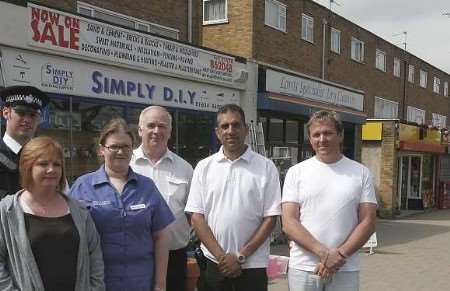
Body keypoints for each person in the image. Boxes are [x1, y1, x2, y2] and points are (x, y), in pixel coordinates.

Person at [69, 118, 174, 291]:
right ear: (102, 150)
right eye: (113, 147)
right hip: (98, 282)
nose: (120, 151)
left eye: (126, 146)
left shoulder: (146, 186)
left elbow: (161, 237)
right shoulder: (82, 186)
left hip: (140, 282)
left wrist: (160, 284)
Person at [185, 104, 282, 291]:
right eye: (224, 126)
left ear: (245, 129)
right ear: (217, 132)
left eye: (236, 125)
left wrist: (240, 256)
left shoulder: (266, 167)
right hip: (213, 263)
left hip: (252, 265)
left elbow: (270, 218)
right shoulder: (204, 167)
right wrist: (222, 257)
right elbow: (196, 217)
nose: (230, 131)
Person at [282, 110, 378, 291]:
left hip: (345, 267)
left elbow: (368, 222)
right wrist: (325, 253)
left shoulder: (361, 173)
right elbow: (288, 222)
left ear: (340, 136)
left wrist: (339, 255)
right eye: (316, 135)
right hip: (304, 268)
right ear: (310, 139)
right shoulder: (297, 172)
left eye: (327, 133)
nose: (322, 139)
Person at [0, 136, 105, 291]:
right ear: (27, 167)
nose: (51, 169)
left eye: (57, 164)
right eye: (43, 164)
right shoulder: (6, 211)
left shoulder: (79, 211)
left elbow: (94, 257)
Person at [130, 106, 193, 291]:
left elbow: (194, 214)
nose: (156, 131)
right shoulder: (126, 164)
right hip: (135, 258)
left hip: (174, 257)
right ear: (140, 130)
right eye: (151, 125)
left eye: (162, 126)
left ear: (170, 132)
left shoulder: (185, 169)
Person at [0, 86, 49, 199]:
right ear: (6, 113)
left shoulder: (47, 156)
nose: (27, 120)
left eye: (33, 115)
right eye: (21, 113)